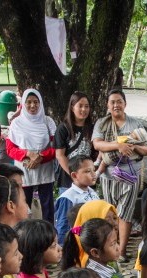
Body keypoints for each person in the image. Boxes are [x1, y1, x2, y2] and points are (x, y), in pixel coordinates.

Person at [92, 89, 147, 262]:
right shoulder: (102, 123)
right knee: (110, 213)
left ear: (125, 104)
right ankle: (110, 246)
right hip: (109, 176)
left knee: (126, 213)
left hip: (131, 175)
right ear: (107, 105)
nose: (116, 105)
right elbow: (97, 144)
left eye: (119, 101)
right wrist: (118, 146)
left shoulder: (136, 123)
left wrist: (132, 146)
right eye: (112, 102)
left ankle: (122, 251)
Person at [6, 89, 57, 223]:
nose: (32, 106)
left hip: (45, 167)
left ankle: (49, 236)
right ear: (23, 103)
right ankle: (25, 238)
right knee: (23, 206)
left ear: (41, 103)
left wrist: (40, 157)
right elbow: (10, 149)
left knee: (47, 208)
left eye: (36, 102)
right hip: (23, 169)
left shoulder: (48, 122)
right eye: (28, 102)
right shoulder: (16, 123)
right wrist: (28, 154)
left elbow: (56, 147)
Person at [55, 91, 96, 194]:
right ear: (72, 107)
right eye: (80, 106)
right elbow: (60, 155)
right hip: (68, 181)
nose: (84, 109)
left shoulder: (93, 128)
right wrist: (75, 176)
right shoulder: (63, 128)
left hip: (87, 180)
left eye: (86, 106)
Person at [55, 156, 100, 242]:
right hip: (78, 241)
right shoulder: (68, 197)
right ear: (74, 175)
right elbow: (62, 225)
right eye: (87, 171)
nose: (94, 174)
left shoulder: (93, 193)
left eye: (94, 170)